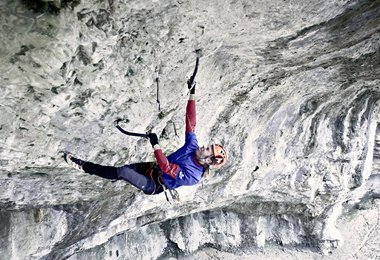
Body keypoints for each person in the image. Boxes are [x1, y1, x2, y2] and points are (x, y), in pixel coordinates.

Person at [63, 77, 228, 197]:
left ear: (208, 161)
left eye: (207, 150)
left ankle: (83, 166)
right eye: (208, 146)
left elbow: (167, 168)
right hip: (153, 167)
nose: (203, 147)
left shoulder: (193, 176)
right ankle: (106, 173)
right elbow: (191, 122)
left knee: (122, 172)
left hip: (154, 184)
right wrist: (192, 93)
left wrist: (156, 145)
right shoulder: (192, 148)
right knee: (119, 171)